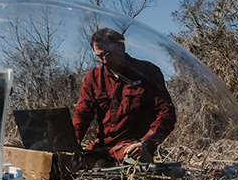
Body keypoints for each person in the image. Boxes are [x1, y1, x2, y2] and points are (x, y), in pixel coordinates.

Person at [73, 28, 176, 165]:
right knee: (70, 165)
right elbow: (82, 114)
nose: (103, 61)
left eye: (107, 54)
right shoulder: (93, 78)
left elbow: (166, 113)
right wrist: (73, 142)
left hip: (132, 148)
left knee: (130, 167)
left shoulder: (147, 72)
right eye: (99, 56)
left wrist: (144, 143)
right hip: (103, 147)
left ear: (121, 47)